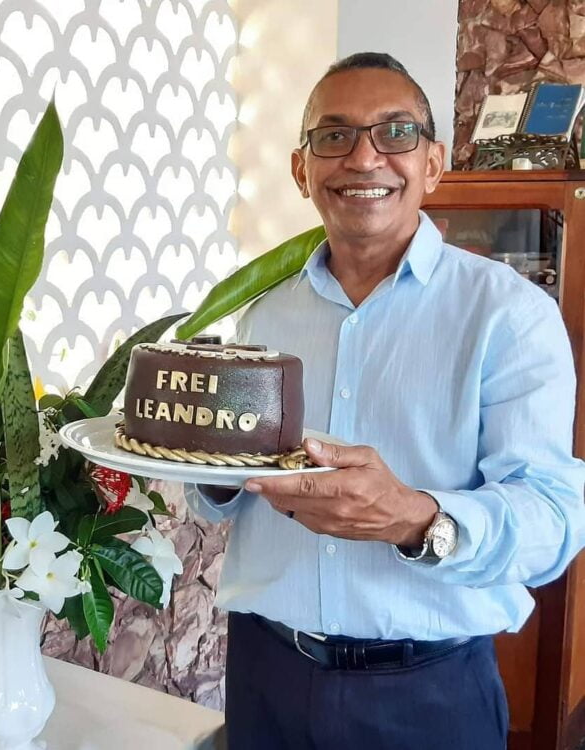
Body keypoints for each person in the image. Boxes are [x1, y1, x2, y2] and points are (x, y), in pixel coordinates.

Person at [184, 52, 585, 750]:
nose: (364, 157)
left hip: (429, 694)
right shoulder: (261, 315)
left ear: (433, 163)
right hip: (264, 672)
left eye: (395, 132)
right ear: (301, 169)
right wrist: (215, 468)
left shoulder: (508, 314)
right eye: (334, 135)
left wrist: (415, 519)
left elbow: (554, 517)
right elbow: (221, 499)